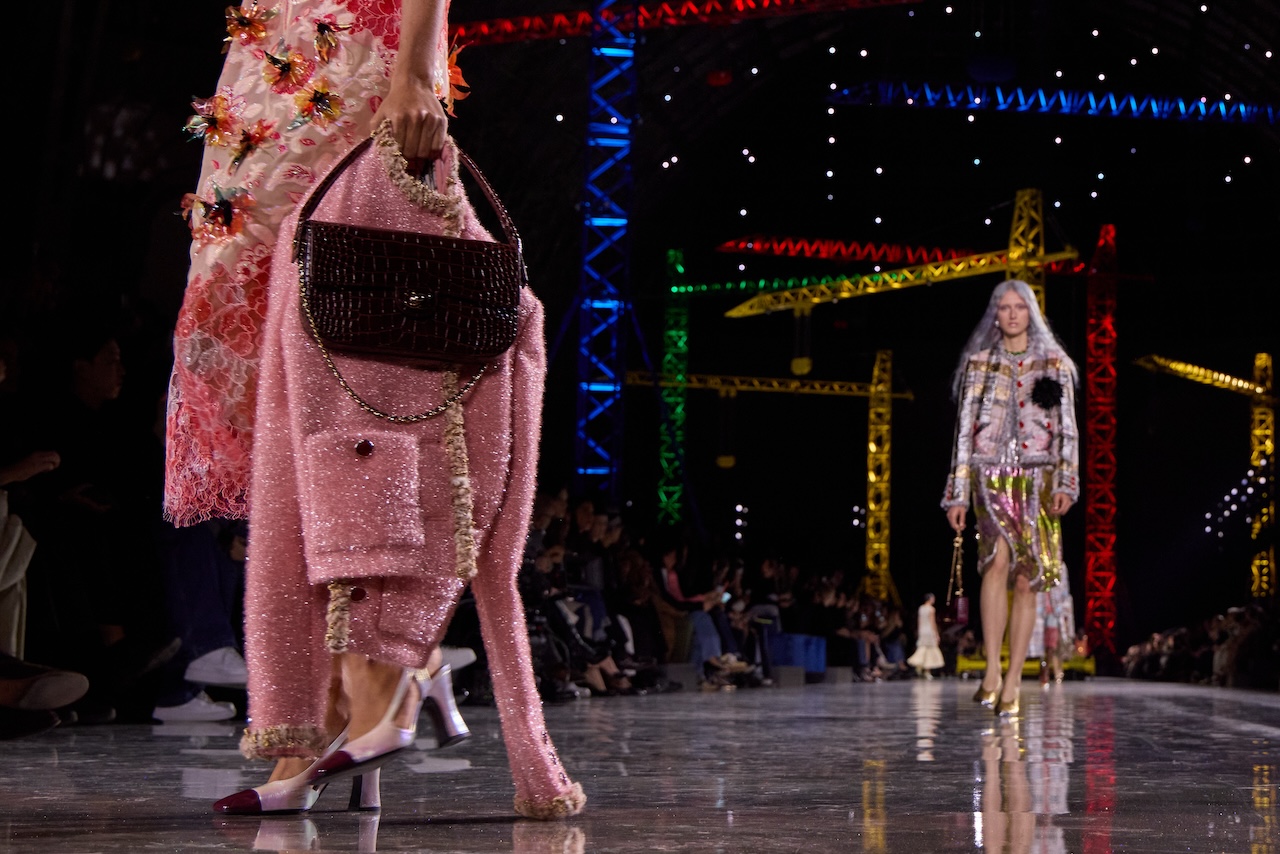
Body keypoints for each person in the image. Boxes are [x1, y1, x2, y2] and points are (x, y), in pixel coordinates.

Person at [166, 0, 583, 819]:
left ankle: (376, 677)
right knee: (273, 383)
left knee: (372, 365)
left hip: (353, 50)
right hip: (264, 67)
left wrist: (415, 64)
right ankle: (323, 717)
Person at [942, 280, 1079, 719]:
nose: (1013, 314)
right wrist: (957, 492)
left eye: (1020, 307)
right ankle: (991, 669)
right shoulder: (979, 364)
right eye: (1005, 308)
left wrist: (1065, 483)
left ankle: (1015, 677)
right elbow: (964, 432)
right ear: (995, 314)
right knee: (995, 561)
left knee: (1027, 577)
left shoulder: (1054, 363)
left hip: (1039, 477)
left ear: (1031, 312)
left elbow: (1068, 430)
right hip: (990, 474)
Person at [906, 594, 943, 679]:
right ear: (929, 599)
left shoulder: (921, 608)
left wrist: (919, 631)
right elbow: (932, 622)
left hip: (922, 630)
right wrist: (936, 634)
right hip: (929, 631)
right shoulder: (931, 609)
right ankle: (927, 671)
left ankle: (920, 667)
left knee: (923, 649)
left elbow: (919, 621)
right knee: (930, 651)